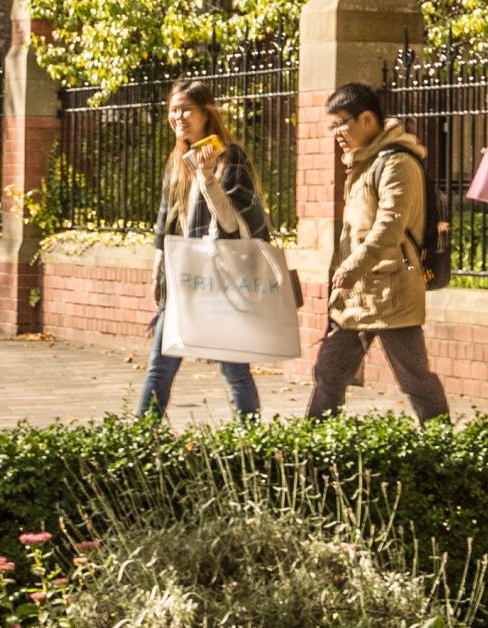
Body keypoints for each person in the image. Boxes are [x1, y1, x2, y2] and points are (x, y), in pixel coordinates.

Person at [300, 82, 452, 421]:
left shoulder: (397, 163)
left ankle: (442, 443)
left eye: (342, 123)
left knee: (414, 379)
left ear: (367, 118)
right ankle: (314, 449)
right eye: (332, 125)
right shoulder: (364, 162)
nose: (336, 132)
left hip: (391, 290)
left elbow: (390, 226)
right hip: (358, 294)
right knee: (330, 371)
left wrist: (353, 265)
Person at [136, 80, 272, 421]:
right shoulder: (177, 160)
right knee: (159, 367)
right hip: (183, 278)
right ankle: (138, 440)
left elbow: (234, 224)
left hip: (220, 279)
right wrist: (157, 270)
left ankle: (252, 440)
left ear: (205, 113)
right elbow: (165, 220)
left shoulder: (231, 157)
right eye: (173, 109)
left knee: (234, 369)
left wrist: (208, 177)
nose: (178, 116)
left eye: (186, 109)